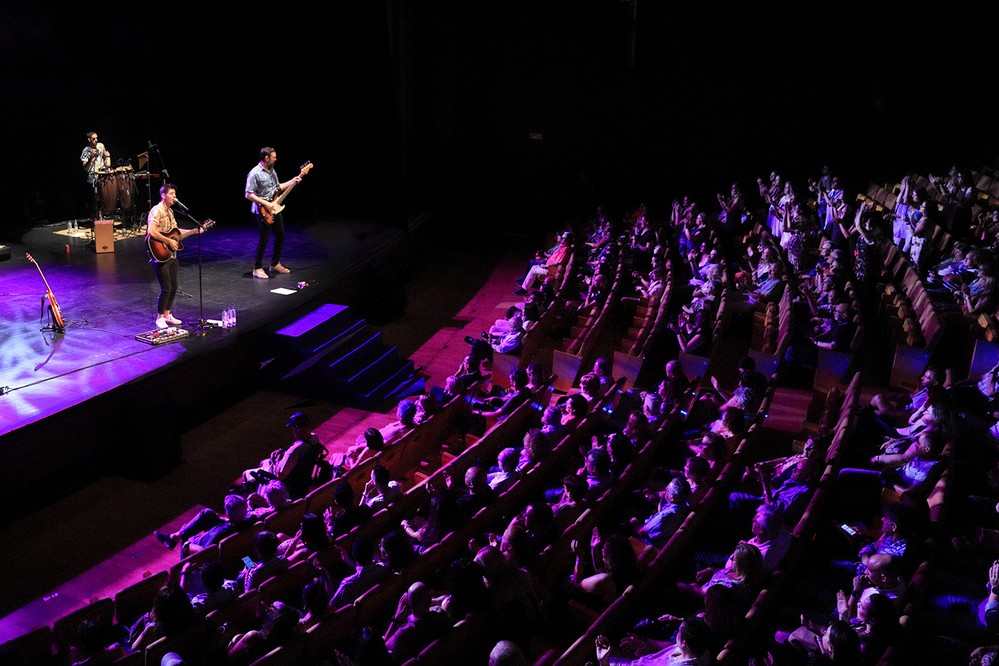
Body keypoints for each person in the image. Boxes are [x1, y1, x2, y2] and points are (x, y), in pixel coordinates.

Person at [146, 184, 203, 329]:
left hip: (171, 254)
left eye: (175, 194)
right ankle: (159, 317)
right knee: (166, 287)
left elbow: (177, 232)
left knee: (174, 286)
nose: (174, 197)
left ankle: (167, 314)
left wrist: (193, 231)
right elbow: (151, 231)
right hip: (159, 252)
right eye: (171, 193)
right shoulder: (157, 210)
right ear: (163, 195)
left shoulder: (170, 212)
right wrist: (167, 241)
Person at [244, 146, 299, 279]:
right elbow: (248, 194)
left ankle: (274, 264)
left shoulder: (272, 171)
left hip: (274, 207)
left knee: (281, 235)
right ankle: (257, 268)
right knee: (264, 240)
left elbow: (278, 187)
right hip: (261, 211)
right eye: (274, 157)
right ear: (266, 158)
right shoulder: (254, 173)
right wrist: (266, 203)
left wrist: (293, 181)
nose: (276, 159)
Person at [80, 131, 111, 218]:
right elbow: (85, 168)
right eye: (93, 139)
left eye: (96, 138)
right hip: (93, 177)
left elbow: (105, 157)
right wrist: (91, 158)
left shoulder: (101, 146)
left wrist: (107, 160)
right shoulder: (86, 151)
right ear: (89, 140)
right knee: (96, 200)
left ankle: (105, 215)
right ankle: (97, 218)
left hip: (102, 175)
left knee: (104, 198)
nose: (96, 140)